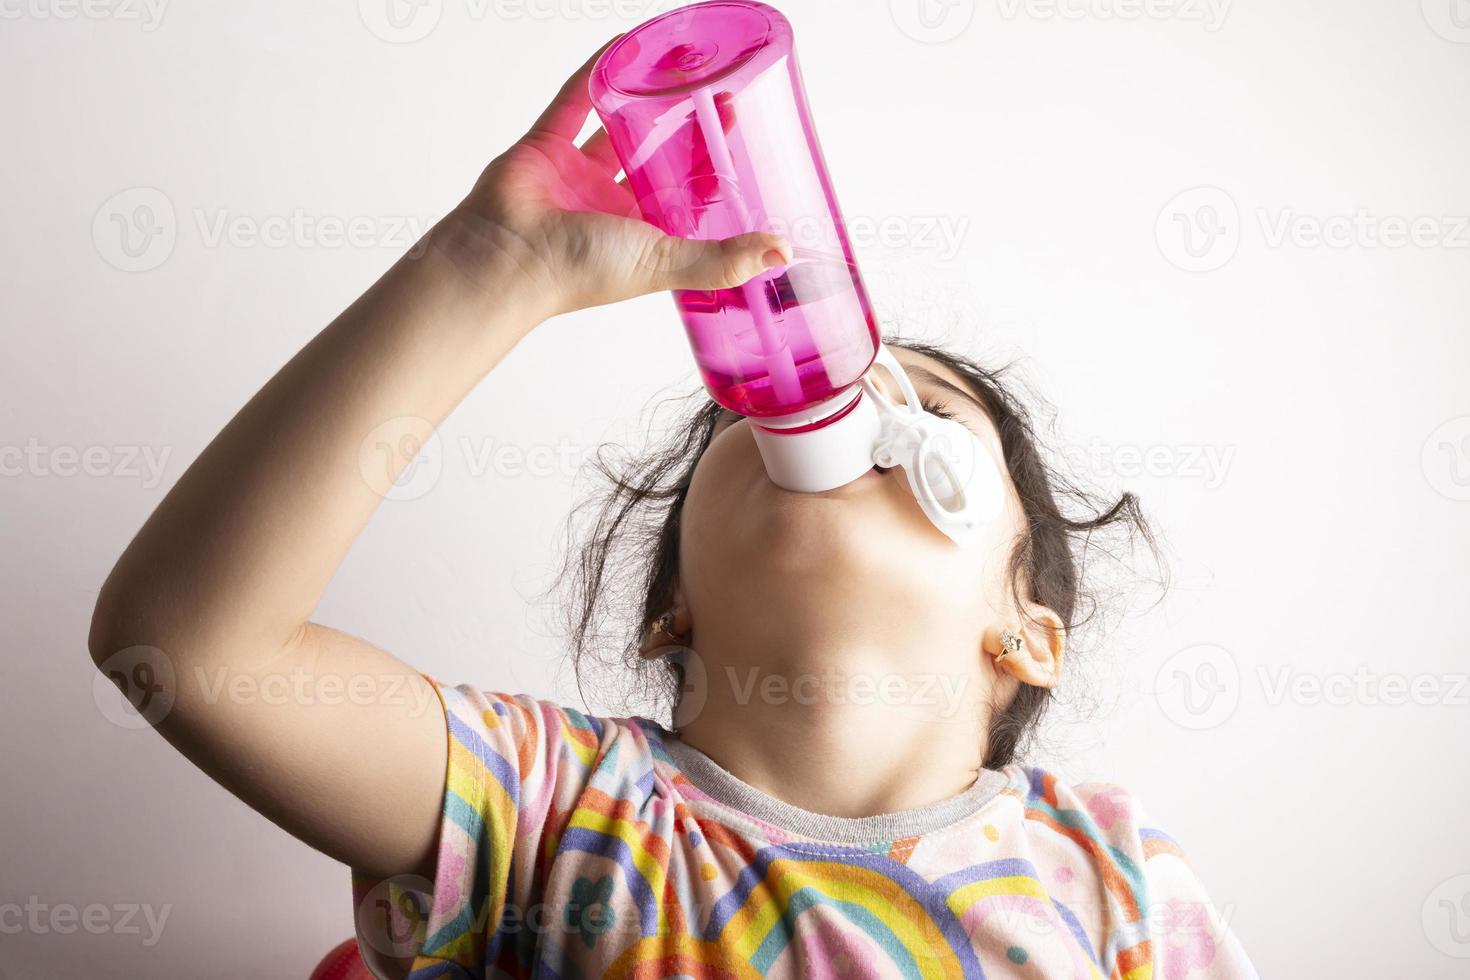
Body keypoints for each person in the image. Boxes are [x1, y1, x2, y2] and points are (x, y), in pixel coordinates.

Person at [89, 37, 1258, 980]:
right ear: (673, 614)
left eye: (923, 408)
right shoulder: (556, 815)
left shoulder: (1115, 880)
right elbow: (184, 647)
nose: (834, 397)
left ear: (1027, 639)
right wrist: (493, 263)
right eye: (751, 410)